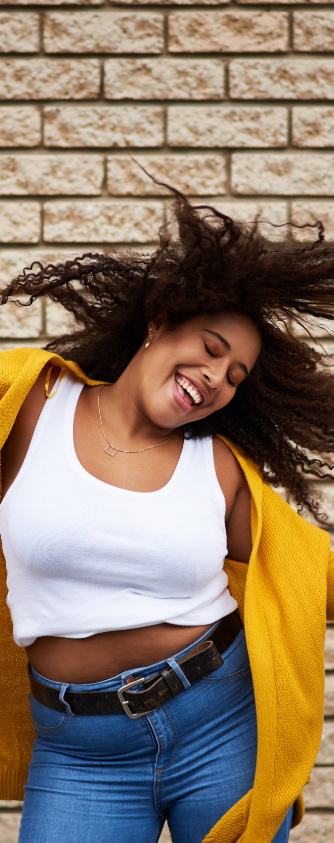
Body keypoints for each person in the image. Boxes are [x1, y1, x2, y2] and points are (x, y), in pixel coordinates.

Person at [0, 184, 334, 843]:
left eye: (235, 375)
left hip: (220, 723)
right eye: (211, 348)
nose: (217, 376)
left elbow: (309, 573)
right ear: (159, 319)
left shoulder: (218, 466)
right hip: (78, 748)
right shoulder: (30, 400)